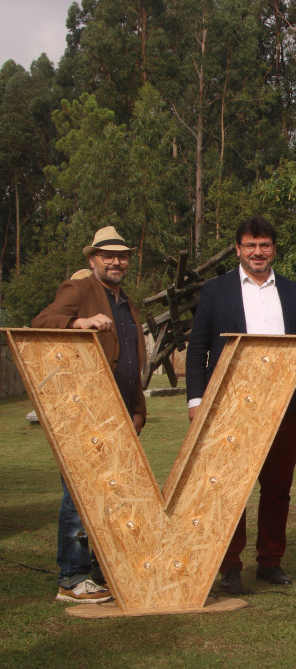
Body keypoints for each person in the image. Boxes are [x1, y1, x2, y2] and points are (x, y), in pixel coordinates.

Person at [185, 216, 296, 595]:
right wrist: (197, 401)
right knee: (230, 487)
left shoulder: (292, 292)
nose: (257, 252)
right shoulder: (216, 290)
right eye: (250, 245)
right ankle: (229, 566)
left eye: (264, 245)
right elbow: (198, 349)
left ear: (274, 249)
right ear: (238, 249)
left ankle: (270, 562)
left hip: (283, 406)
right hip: (230, 408)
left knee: (277, 487)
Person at [32, 226, 147, 603]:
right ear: (92, 259)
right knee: (79, 495)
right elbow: (39, 325)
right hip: (85, 414)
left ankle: (99, 570)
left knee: (111, 496)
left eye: (122, 255)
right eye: (108, 255)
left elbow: (132, 361)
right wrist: (77, 324)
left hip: (121, 416)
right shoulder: (79, 290)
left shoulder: (127, 303)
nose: (116, 261)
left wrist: (138, 410)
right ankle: (72, 578)